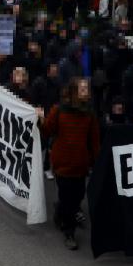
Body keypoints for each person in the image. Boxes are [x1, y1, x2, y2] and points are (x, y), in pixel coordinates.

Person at [41, 78, 100, 251]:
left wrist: (97, 163)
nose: (85, 92)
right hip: (63, 164)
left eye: (87, 89)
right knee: (70, 200)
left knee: (78, 196)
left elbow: (94, 141)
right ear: (74, 91)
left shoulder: (89, 114)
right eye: (82, 89)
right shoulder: (59, 110)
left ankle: (60, 212)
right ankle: (69, 233)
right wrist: (38, 119)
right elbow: (47, 130)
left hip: (80, 164)